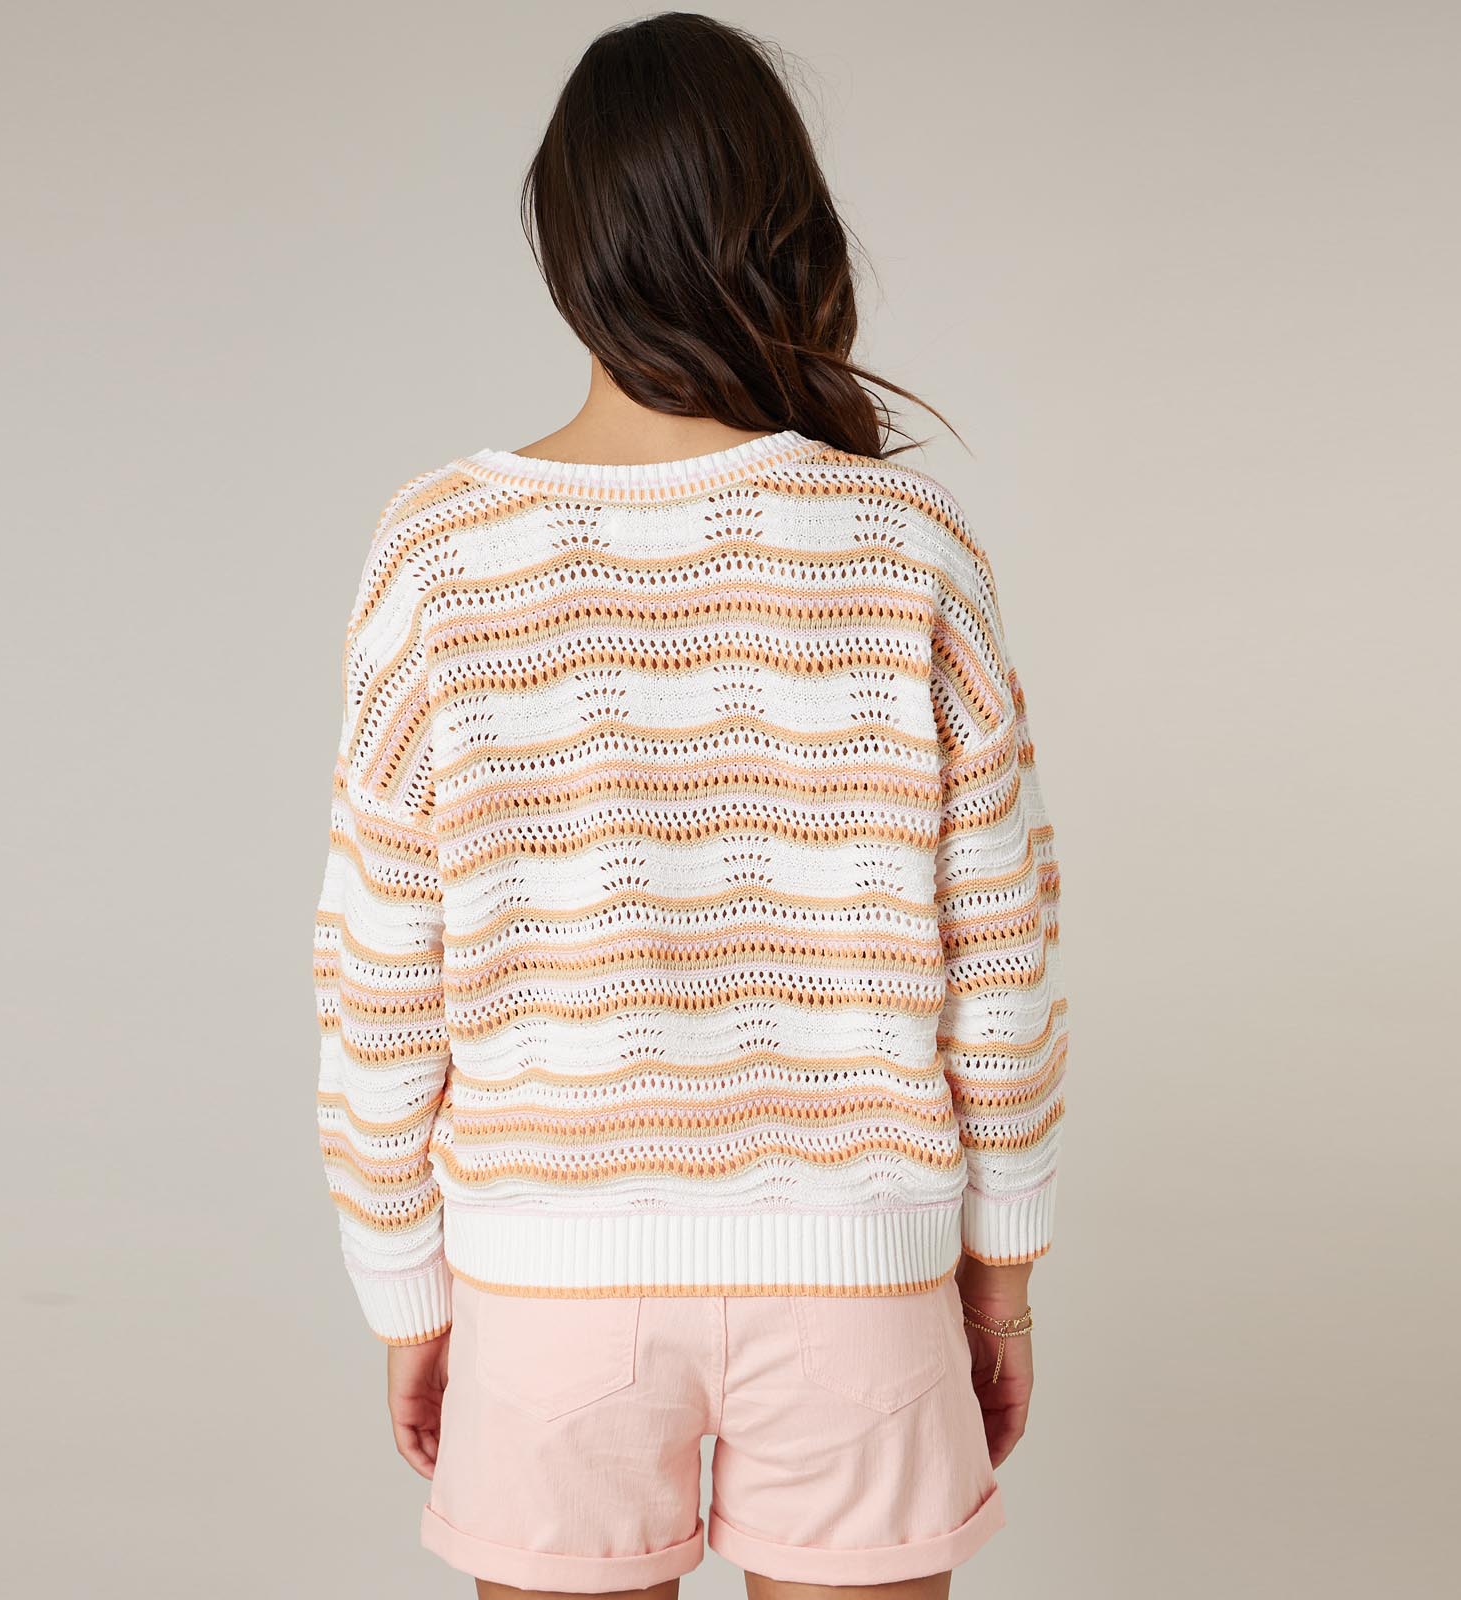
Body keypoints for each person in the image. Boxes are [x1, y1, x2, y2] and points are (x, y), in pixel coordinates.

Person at [310, 12, 1068, 1597]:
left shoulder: (440, 552)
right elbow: (998, 953)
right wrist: (998, 1279)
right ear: (791, 232)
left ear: (568, 247)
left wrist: (407, 1292)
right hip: (860, 1277)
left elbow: (379, 971)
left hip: (550, 1288)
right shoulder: (908, 542)